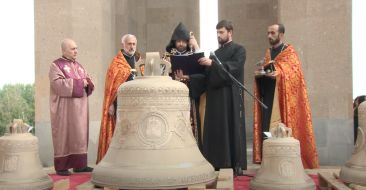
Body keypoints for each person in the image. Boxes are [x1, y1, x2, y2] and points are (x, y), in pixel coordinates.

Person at [175, 20, 247, 172]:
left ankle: (234, 164)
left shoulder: (239, 50)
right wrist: (189, 77)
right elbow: (207, 77)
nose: (218, 35)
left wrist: (212, 64)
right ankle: (216, 162)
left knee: (230, 129)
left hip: (230, 99)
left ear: (230, 32)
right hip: (214, 101)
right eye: (217, 32)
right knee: (216, 131)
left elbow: (232, 71)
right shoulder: (215, 53)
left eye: (221, 32)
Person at [253, 24, 319, 169]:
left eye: (273, 33)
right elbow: (266, 69)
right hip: (269, 99)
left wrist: (280, 74)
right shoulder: (268, 53)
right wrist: (260, 75)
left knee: (281, 129)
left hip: (284, 101)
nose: (269, 36)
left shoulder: (289, 52)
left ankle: (286, 164)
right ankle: (268, 164)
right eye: (268, 33)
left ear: (281, 35)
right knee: (267, 129)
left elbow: (295, 75)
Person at [49, 38, 95, 176]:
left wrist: (88, 82)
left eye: (76, 48)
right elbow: (57, 84)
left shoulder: (80, 67)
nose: (76, 51)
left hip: (80, 111)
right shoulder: (56, 65)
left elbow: (89, 80)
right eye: (72, 49)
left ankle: (80, 165)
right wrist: (81, 83)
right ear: (64, 50)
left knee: (80, 135)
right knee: (64, 135)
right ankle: (62, 167)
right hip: (64, 110)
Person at [96, 34, 144, 164]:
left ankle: (135, 161)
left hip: (138, 106)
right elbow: (110, 88)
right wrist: (111, 103)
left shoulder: (140, 61)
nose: (132, 47)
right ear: (122, 45)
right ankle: (119, 161)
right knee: (122, 134)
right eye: (129, 44)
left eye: (134, 44)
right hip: (120, 106)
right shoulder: (116, 63)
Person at [164, 22, 203, 142]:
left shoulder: (193, 55)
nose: (181, 44)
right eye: (178, 41)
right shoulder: (166, 56)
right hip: (173, 97)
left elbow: (202, 73)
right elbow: (161, 75)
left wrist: (196, 46)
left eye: (183, 41)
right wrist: (168, 65)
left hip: (190, 95)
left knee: (191, 122)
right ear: (174, 42)